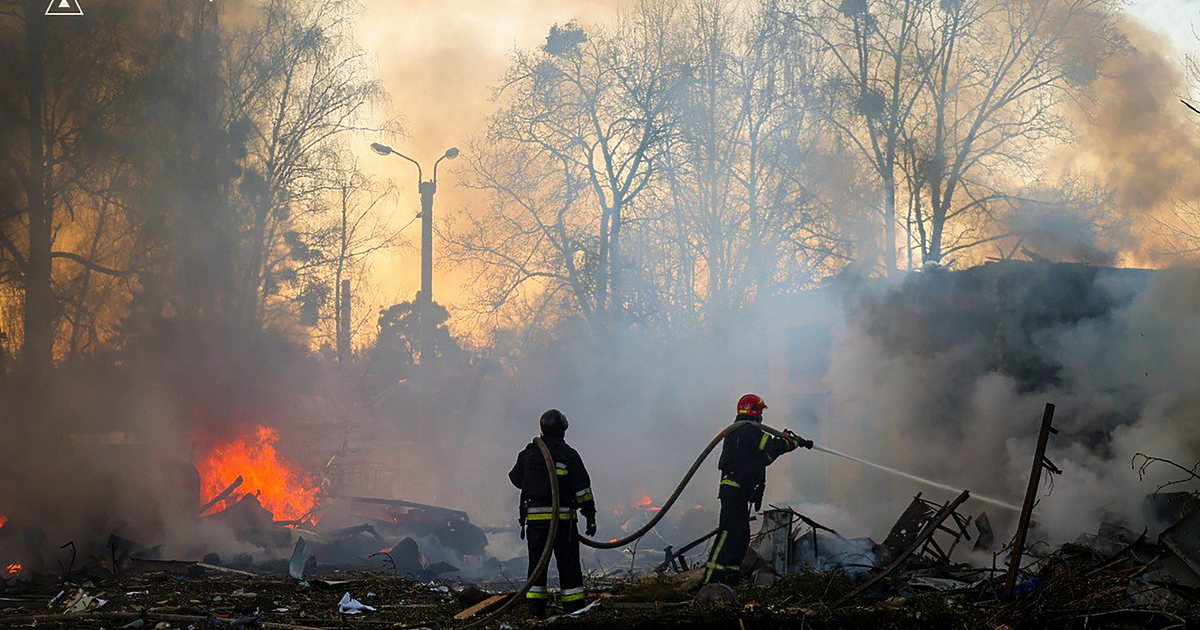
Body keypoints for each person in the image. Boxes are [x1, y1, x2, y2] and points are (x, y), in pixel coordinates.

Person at [704, 393, 812, 585]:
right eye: (760, 411)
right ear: (752, 411)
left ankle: (729, 578)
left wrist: (789, 444)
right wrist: (790, 442)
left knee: (741, 535)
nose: (762, 417)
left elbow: (765, 457)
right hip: (734, 489)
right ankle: (712, 578)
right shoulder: (747, 430)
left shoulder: (745, 432)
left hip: (740, 491)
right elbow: (771, 445)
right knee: (728, 533)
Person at [509, 409, 597, 618]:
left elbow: (515, 478)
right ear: (562, 431)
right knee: (568, 567)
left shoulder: (529, 453)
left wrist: (535, 483)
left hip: (537, 524)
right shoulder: (568, 455)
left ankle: (535, 611)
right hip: (563, 524)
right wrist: (590, 516)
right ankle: (574, 611)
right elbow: (582, 489)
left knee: (537, 567)